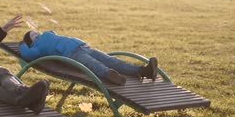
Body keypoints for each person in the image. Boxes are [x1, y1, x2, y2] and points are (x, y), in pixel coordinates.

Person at [20, 30, 158, 85]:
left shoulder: (48, 34)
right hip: (72, 54)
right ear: (31, 42)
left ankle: (144, 71)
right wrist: (22, 45)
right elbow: (27, 54)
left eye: (36, 32)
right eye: (33, 35)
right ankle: (110, 76)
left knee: (112, 60)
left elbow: (54, 34)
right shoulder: (37, 47)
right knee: (94, 65)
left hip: (84, 47)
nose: (36, 33)